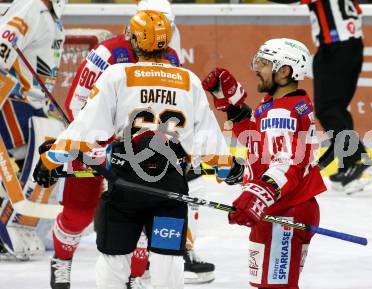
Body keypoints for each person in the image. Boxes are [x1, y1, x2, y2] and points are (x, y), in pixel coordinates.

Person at [33, 10, 240, 289]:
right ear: (167, 43)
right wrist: (229, 169)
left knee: (113, 265)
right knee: (168, 268)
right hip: (169, 189)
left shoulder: (117, 75)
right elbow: (209, 145)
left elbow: (84, 132)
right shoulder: (187, 79)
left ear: (133, 39)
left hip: (125, 186)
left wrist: (49, 160)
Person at [202, 38, 326, 289]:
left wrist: (258, 194)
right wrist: (235, 109)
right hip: (283, 209)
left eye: (265, 63)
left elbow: (287, 164)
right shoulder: (279, 105)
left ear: (284, 71)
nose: (257, 68)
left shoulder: (282, 113)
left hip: (285, 212)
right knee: (267, 285)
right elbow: (258, 140)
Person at [269, 0, 372, 193]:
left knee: (327, 109)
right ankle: (349, 165)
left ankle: (359, 161)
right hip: (351, 47)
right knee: (336, 108)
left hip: (335, 48)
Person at [0, 0, 66, 259]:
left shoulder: (52, 18)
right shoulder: (30, 7)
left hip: (32, 104)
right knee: (36, 155)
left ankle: (20, 221)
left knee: (47, 156)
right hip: (16, 103)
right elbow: (4, 41)